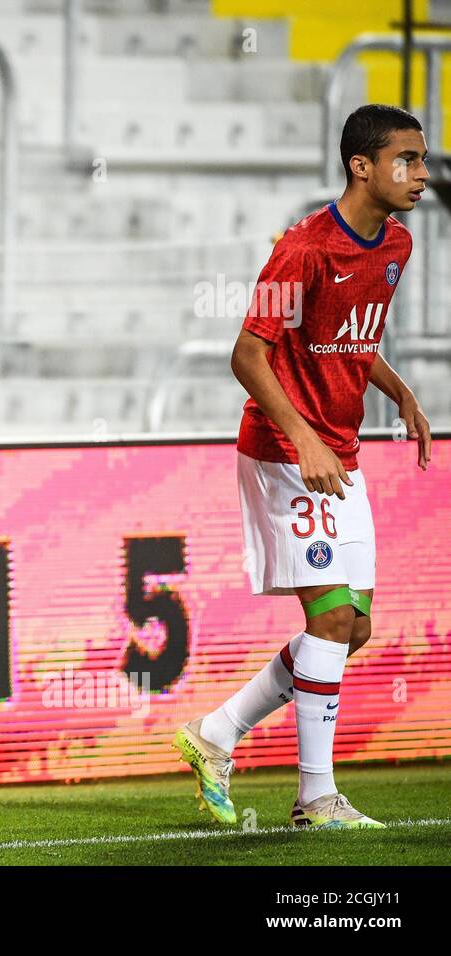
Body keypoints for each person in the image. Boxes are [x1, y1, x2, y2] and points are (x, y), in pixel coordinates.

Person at [174, 104, 433, 830]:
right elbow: (248, 354)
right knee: (331, 613)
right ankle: (315, 797)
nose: (420, 173)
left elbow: (348, 338)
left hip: (338, 454)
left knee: (352, 629)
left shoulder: (397, 245)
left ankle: (216, 733)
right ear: (362, 166)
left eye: (421, 160)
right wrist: (305, 438)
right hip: (286, 453)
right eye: (406, 160)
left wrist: (402, 392)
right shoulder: (303, 249)